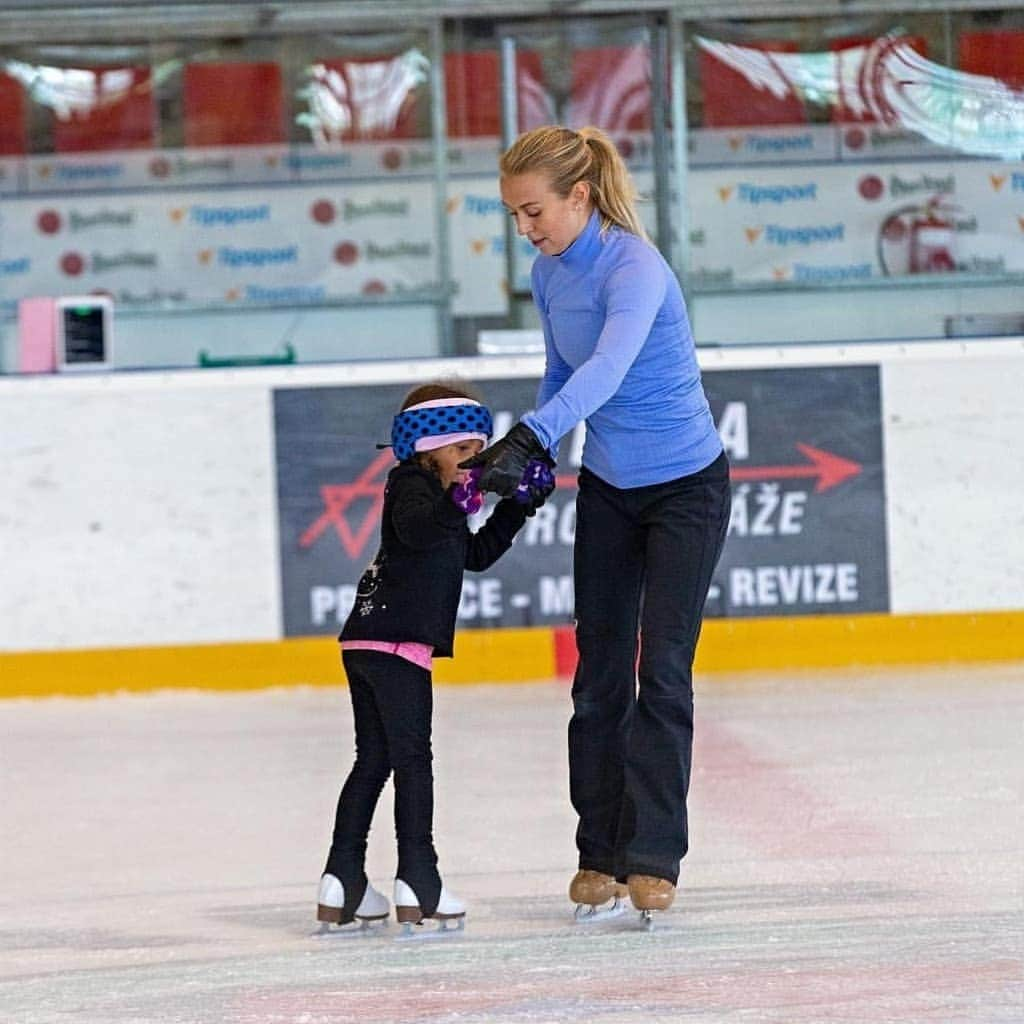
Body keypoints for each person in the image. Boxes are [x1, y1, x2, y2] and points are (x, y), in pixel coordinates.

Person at [462, 125, 731, 918]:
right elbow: (560, 370)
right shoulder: (550, 273)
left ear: (580, 196)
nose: (525, 229)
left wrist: (535, 434)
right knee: (599, 675)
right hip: (612, 487)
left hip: (686, 487)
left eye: (534, 211)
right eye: (513, 215)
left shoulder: (635, 268)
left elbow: (607, 371)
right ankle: (600, 852)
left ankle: (655, 854)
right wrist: (539, 450)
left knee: (665, 671)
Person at [316, 381, 554, 933]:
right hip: (394, 645)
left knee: (374, 760)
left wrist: (517, 507)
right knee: (412, 761)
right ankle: (419, 877)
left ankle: (343, 876)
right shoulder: (410, 485)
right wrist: (464, 495)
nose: (476, 462)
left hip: (374, 641)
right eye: (465, 451)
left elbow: (471, 554)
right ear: (429, 448)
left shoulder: (439, 497)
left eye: (480, 451)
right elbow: (417, 530)